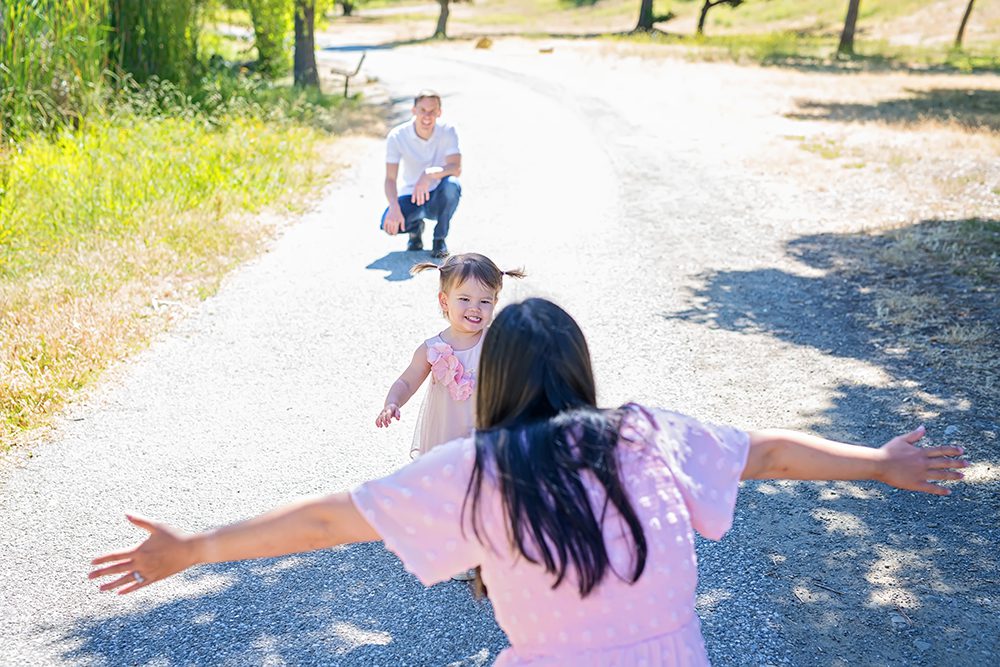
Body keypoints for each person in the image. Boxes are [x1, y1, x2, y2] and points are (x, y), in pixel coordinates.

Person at [90, 298, 967, 666]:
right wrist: (879, 464)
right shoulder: (649, 431)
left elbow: (328, 521)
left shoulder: (480, 467)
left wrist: (195, 548)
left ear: (499, 381)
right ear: (580, 371)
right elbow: (770, 453)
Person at [375, 253, 524, 458]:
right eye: (464, 299)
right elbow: (406, 382)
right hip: (444, 435)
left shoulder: (497, 342)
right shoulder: (432, 349)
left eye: (485, 301)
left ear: (495, 302)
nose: (475, 307)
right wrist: (392, 402)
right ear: (444, 301)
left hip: (485, 433)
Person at [381, 90, 462, 259]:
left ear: (439, 112)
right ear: (414, 111)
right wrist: (394, 207)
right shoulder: (397, 136)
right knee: (388, 224)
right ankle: (415, 230)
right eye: (422, 110)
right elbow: (390, 179)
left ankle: (439, 239)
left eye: (432, 111)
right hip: (411, 195)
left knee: (452, 185)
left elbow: (456, 168)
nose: (427, 116)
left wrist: (429, 174)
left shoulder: (448, 131)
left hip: (437, 196)